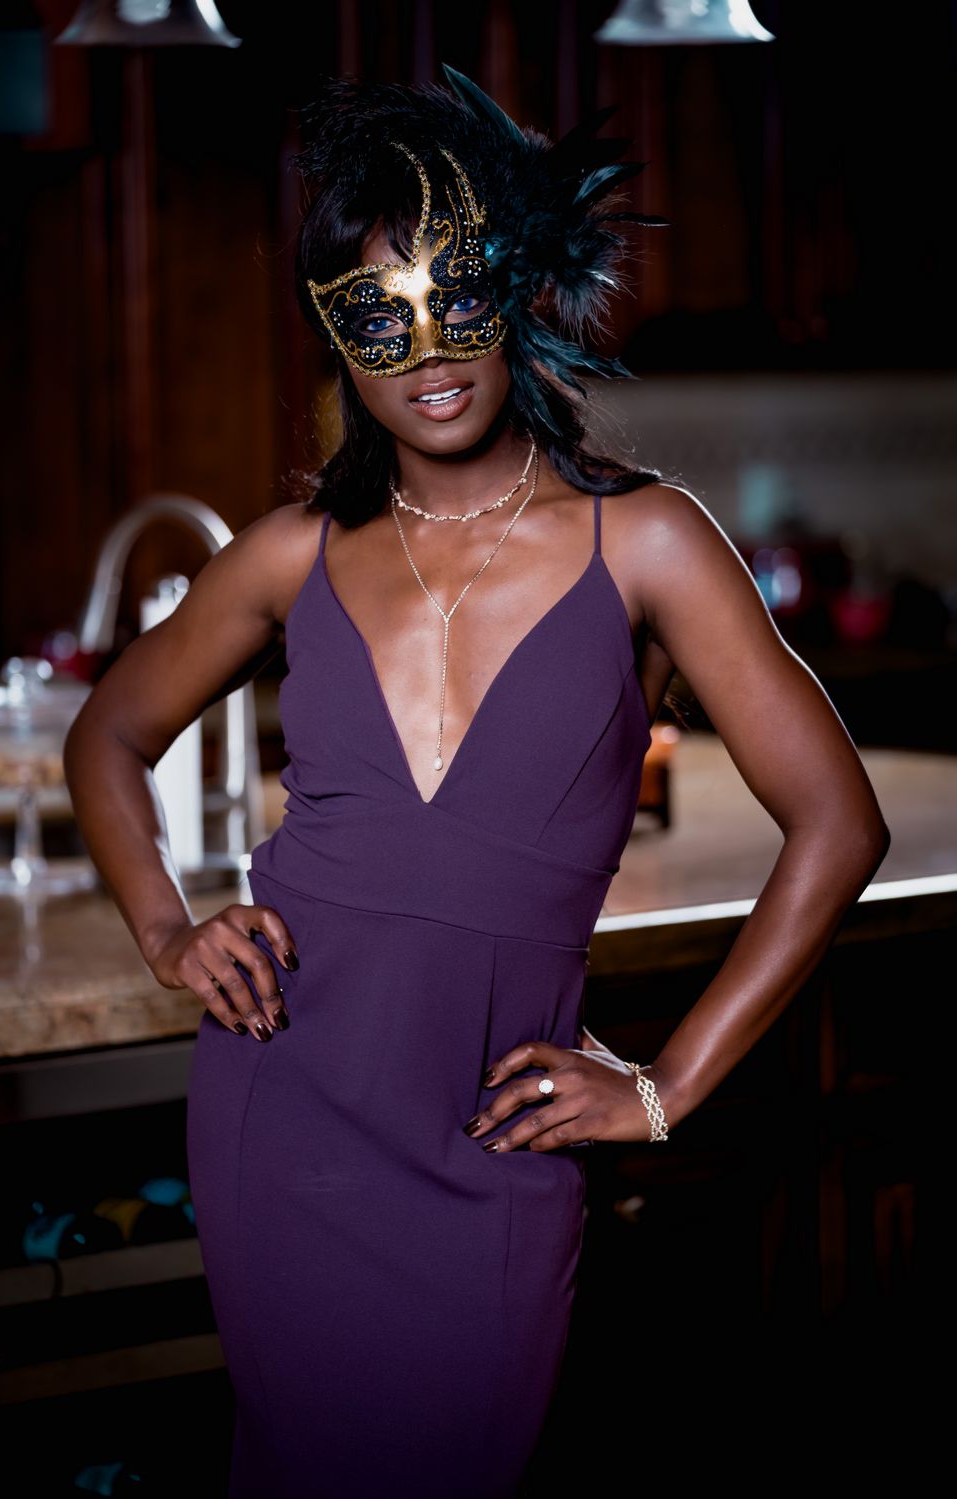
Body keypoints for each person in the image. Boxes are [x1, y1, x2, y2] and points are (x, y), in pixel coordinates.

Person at [64, 65, 890, 1499]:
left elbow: (840, 823)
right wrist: (165, 928)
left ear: (520, 291)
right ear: (336, 333)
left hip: (487, 1140)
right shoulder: (290, 556)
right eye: (379, 313)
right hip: (279, 1112)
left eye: (459, 291)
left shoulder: (650, 543)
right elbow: (106, 736)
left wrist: (666, 1086)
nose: (429, 349)